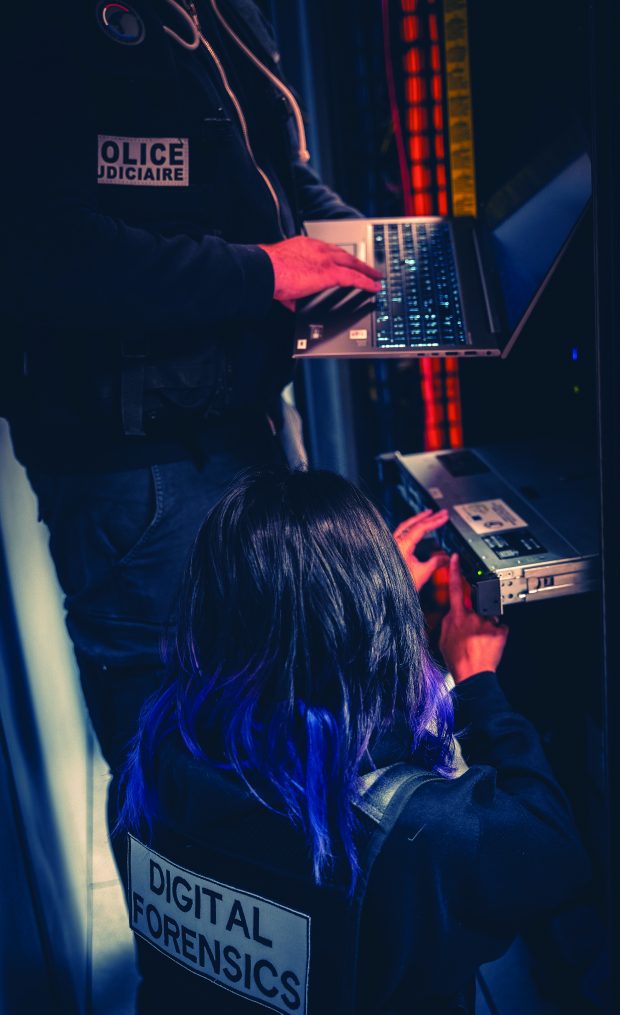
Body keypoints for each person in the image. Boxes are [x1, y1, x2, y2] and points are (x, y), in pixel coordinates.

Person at [3, 1, 382, 793]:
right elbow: (45, 254)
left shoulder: (222, 9)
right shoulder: (42, 26)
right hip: (136, 469)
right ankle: (175, 923)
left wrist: (366, 251)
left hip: (244, 422)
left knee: (277, 718)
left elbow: (272, 166)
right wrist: (269, 273)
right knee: (176, 762)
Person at [117, 466, 591, 1015]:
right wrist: (478, 686)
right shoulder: (415, 830)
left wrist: (346, 597)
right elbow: (556, 856)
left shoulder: (150, 766)